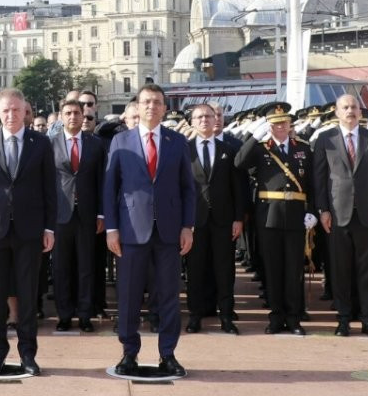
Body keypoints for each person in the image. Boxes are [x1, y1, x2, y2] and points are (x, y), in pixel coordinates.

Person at [104, 84, 195, 378]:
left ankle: (167, 355)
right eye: (146, 102)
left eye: (157, 102)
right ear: (137, 106)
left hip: (169, 230)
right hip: (131, 230)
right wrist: (111, 229)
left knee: (169, 295)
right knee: (129, 295)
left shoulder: (177, 141)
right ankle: (129, 352)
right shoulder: (121, 141)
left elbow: (188, 189)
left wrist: (188, 227)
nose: (151, 107)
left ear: (164, 108)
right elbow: (110, 188)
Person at [0, 88, 55, 376]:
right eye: (5, 110)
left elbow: (49, 189)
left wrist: (49, 227)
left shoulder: (41, 143)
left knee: (28, 294)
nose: (11, 115)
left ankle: (28, 354)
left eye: (16, 110)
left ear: (25, 111)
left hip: (30, 231)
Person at [313, 93, 368, 339]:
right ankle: (344, 319)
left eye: (354, 107)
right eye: (345, 107)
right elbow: (320, 179)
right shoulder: (325, 140)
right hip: (337, 214)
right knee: (340, 269)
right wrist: (323, 210)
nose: (350, 111)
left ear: (360, 111)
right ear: (337, 112)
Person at [184, 103, 246, 335]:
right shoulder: (184, 150)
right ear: (192, 122)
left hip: (223, 220)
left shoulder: (228, 150)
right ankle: (195, 316)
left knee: (225, 270)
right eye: (199, 117)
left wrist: (238, 218)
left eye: (208, 116)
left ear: (216, 120)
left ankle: (227, 317)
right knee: (195, 270)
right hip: (194, 221)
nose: (204, 121)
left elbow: (238, 187)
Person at [49, 99, 105, 333]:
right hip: (60, 216)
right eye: (68, 113)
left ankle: (84, 314)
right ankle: (64, 315)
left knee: (86, 266)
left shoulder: (96, 144)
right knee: (61, 268)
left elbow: (102, 180)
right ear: (61, 116)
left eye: (77, 113)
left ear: (84, 116)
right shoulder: (49, 144)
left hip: (87, 214)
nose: (73, 117)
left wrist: (101, 214)